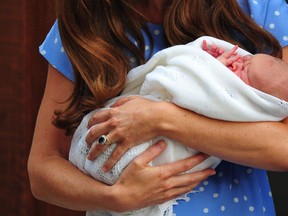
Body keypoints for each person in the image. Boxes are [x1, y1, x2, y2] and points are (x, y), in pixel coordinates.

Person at [28, 1, 288, 216]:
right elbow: (43, 169)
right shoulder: (81, 23)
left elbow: (284, 148)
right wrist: (114, 198)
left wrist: (161, 118)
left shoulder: (253, 6)